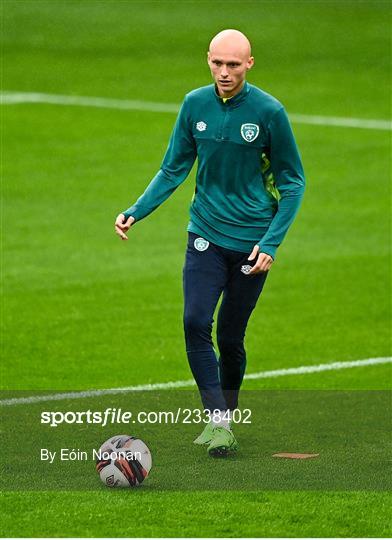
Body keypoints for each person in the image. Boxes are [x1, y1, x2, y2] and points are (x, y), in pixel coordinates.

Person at [115, 29, 305, 457]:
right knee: (195, 321)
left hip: (253, 243)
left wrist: (272, 244)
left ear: (250, 64)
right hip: (204, 233)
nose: (224, 72)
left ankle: (226, 417)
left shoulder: (269, 112)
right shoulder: (194, 105)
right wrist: (136, 210)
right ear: (208, 59)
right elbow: (172, 168)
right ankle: (218, 420)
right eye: (217, 63)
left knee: (232, 339)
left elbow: (293, 183)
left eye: (233, 65)